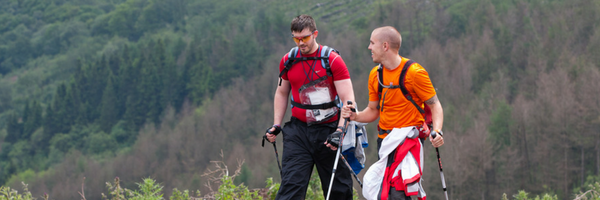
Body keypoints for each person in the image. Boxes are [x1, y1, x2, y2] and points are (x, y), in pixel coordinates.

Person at [341, 26, 445, 199]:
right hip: (385, 142)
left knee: (398, 193)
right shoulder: (376, 75)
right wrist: (355, 116)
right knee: (386, 193)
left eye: (372, 43)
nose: (369, 47)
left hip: (408, 143)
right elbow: (373, 111)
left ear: (385, 46)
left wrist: (438, 131)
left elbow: (435, 105)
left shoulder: (415, 73)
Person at [264, 14, 356, 199]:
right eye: (296, 38)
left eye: (304, 38)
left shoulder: (332, 60)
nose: (300, 43)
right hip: (299, 131)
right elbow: (282, 93)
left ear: (315, 34)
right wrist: (277, 124)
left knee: (338, 189)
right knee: (291, 186)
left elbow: (348, 99)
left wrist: (340, 130)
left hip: (329, 131)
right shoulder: (288, 60)